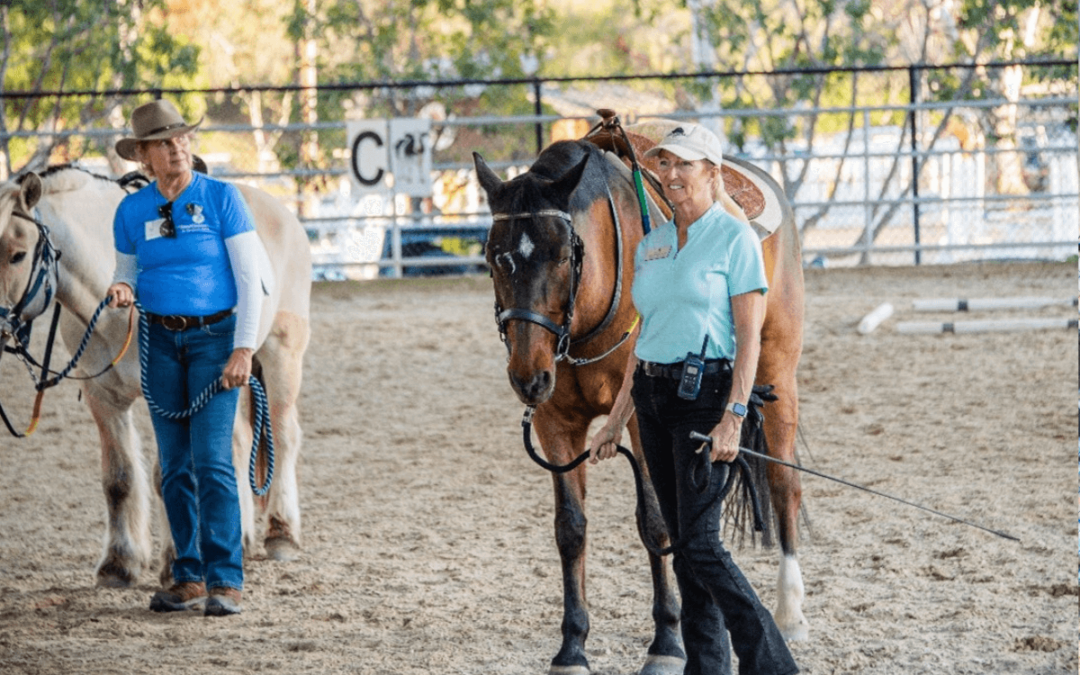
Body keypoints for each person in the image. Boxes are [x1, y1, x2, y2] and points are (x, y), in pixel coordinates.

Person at [588, 123, 798, 675]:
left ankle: (772, 663)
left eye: (684, 164)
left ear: (711, 172)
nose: (672, 174)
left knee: (703, 546)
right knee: (683, 546)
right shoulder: (653, 245)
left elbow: (749, 338)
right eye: (665, 163)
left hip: (706, 398)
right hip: (653, 398)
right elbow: (644, 333)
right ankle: (707, 667)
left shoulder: (735, 239)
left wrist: (734, 415)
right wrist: (615, 419)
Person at [106, 99, 264, 617]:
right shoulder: (131, 211)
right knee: (173, 467)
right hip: (159, 342)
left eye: (182, 139)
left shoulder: (221, 198)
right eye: (164, 143)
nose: (177, 148)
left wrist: (244, 348)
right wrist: (123, 287)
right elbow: (126, 269)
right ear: (144, 156)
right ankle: (188, 575)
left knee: (212, 462)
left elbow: (250, 279)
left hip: (215, 340)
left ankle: (226, 578)